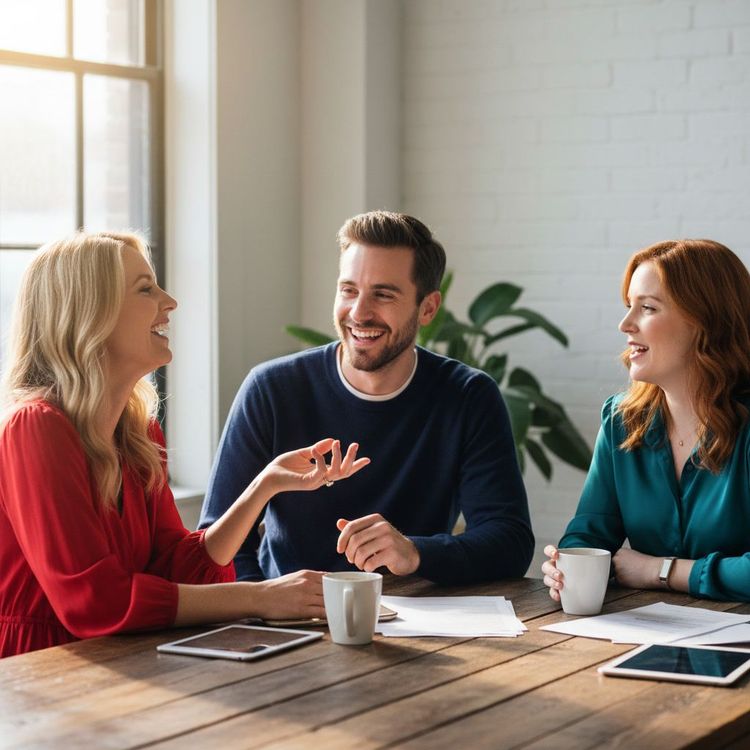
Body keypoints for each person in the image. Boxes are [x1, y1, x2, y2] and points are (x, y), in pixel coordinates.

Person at [0, 232, 368, 658]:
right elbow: (94, 600)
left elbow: (177, 569)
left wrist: (263, 487)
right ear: (89, 314)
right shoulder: (35, 428)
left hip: (123, 661)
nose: (169, 301)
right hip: (41, 671)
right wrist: (261, 597)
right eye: (145, 289)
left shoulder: (137, 434)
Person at [200, 210, 534, 585]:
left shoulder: (467, 396)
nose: (359, 313)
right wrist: (262, 606)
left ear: (428, 308)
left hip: (420, 622)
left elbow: (510, 542)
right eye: (349, 290)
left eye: (383, 294)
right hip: (288, 619)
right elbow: (216, 544)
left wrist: (415, 552)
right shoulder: (271, 390)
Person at [542, 239, 750, 602]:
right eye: (628, 307)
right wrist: (567, 569)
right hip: (653, 634)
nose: (626, 324)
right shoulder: (621, 419)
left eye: (648, 308)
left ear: (705, 322)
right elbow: (589, 535)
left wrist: (662, 570)